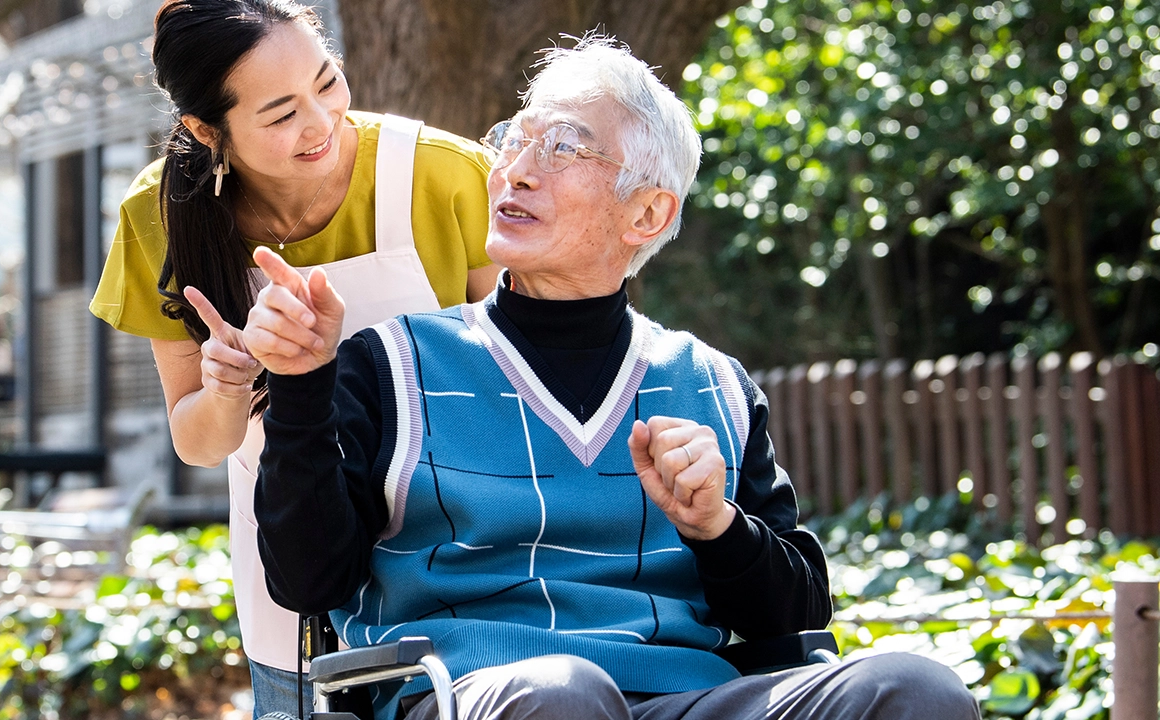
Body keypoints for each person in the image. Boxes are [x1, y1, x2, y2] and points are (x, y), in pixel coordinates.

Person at [246, 36, 980, 720]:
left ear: (648, 213)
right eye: (517, 137)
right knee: (565, 695)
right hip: (486, 696)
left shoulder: (712, 383)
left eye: (563, 146)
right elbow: (308, 584)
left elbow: (792, 617)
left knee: (920, 689)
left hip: (684, 698)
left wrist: (715, 527)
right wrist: (303, 384)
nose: (516, 168)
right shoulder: (388, 362)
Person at [88, 1, 498, 715]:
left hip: (466, 553)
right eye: (280, 115)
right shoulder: (160, 215)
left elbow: (521, 378)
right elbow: (196, 442)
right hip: (292, 567)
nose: (322, 122)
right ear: (206, 132)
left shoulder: (445, 174)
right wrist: (225, 389)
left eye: (328, 81)